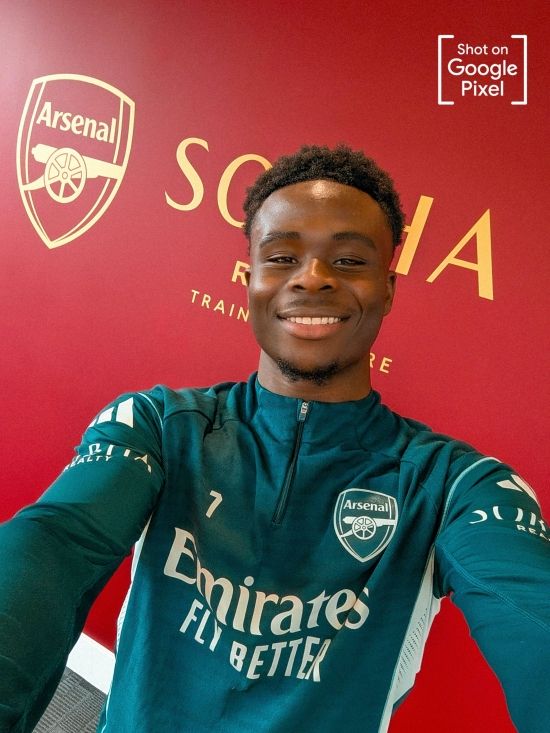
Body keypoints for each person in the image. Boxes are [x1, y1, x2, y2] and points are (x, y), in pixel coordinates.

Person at [0, 145, 548, 733]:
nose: (312, 278)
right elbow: (52, 542)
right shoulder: (157, 425)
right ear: (251, 279)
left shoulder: (456, 486)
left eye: (348, 260)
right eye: (283, 257)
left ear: (388, 289)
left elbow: (530, 611)